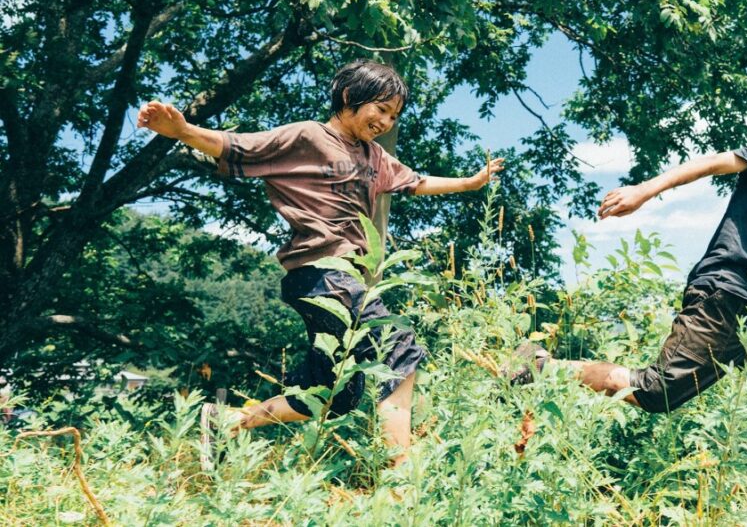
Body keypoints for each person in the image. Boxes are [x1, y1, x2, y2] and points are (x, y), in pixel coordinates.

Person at [138, 59, 504, 465]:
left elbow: (416, 182)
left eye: (394, 115)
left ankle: (227, 421)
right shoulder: (308, 136)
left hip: (335, 281)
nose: (385, 121)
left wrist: (471, 183)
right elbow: (240, 146)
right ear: (349, 97)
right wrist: (183, 131)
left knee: (333, 393)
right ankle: (402, 476)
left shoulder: (375, 157)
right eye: (380, 109)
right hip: (323, 274)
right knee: (398, 346)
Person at [509, 89, 747, 485]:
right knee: (656, 393)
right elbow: (713, 164)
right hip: (722, 294)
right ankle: (540, 365)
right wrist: (643, 191)